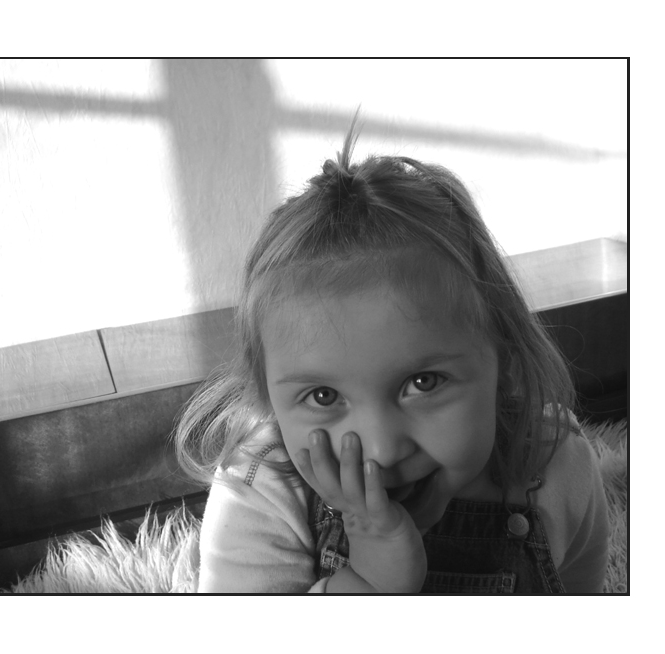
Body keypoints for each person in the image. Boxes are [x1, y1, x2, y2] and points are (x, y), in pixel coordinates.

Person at [174, 121, 610, 593]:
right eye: (323, 396)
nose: (381, 451)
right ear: (268, 400)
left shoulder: (556, 463)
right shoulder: (260, 492)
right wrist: (370, 582)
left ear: (504, 361)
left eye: (423, 383)